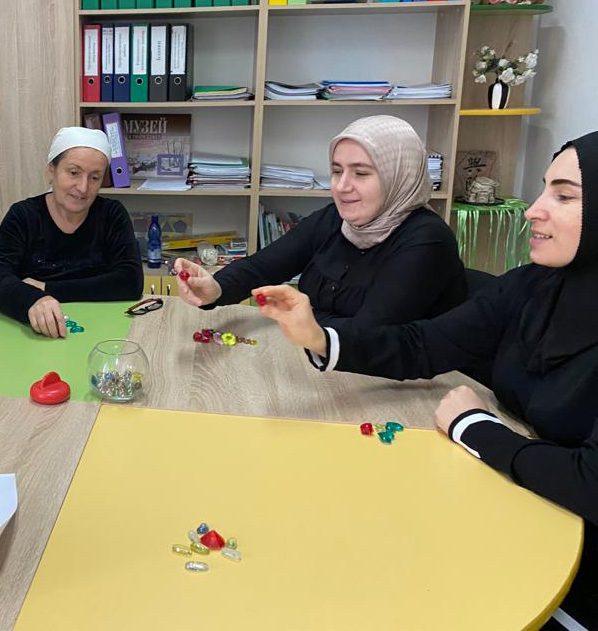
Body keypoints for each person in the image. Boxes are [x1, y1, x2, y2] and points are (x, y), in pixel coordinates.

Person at [255, 132, 598, 629]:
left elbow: (590, 482)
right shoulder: (534, 285)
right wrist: (321, 339)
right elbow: (424, 344)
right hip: (512, 499)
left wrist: (472, 426)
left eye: (563, 196)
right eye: (544, 189)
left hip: (571, 574)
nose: (533, 210)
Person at [176, 115, 466, 331]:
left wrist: (306, 321)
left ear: (400, 176)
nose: (342, 186)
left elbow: (371, 334)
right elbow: (264, 266)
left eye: (361, 173)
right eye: (337, 171)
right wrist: (217, 288)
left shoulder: (428, 240)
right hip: (329, 365)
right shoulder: (336, 218)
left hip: (409, 385)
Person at [0, 127, 143, 338]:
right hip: (35, 331)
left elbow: (130, 281)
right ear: (52, 170)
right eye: (74, 173)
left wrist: (47, 288)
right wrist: (32, 300)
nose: (83, 188)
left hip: (100, 330)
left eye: (95, 177)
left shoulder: (111, 214)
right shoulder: (24, 215)